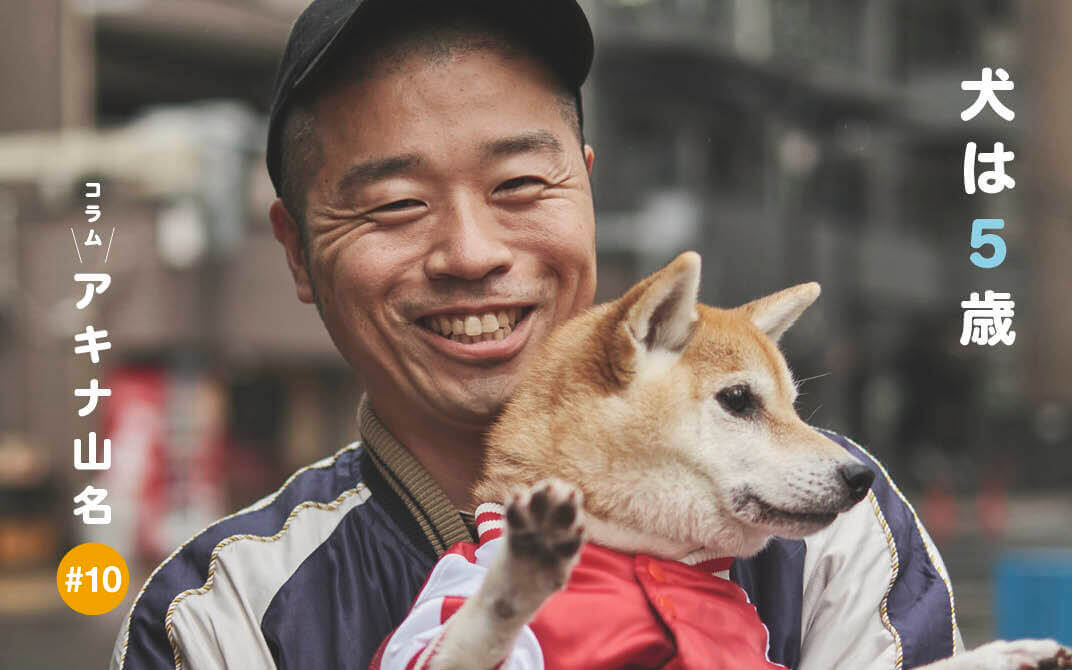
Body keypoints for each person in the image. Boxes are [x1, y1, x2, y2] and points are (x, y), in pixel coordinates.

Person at [111, 1, 960, 668]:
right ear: (297, 250)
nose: (471, 253)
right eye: (396, 204)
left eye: (518, 184)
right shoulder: (215, 615)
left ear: (586, 189)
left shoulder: (832, 526)